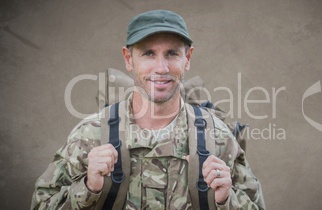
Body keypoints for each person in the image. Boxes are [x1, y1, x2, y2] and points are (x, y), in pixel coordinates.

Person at [31, 10, 266, 209]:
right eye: (148, 54)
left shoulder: (219, 140)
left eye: (172, 53)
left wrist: (226, 200)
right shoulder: (90, 136)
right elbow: (41, 204)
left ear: (188, 58)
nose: (161, 67)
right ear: (128, 59)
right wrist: (89, 188)